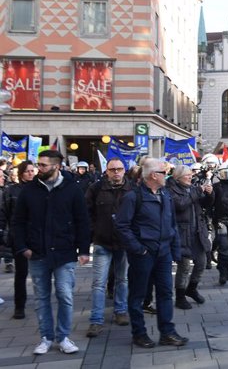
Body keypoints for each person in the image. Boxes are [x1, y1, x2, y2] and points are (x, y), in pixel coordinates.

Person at [12, 150, 91, 355]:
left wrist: (83, 249)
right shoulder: (29, 190)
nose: (39, 168)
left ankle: (63, 337)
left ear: (56, 166)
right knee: (41, 297)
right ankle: (46, 337)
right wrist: (23, 247)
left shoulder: (71, 189)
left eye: (43, 165)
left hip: (64, 252)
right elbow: (18, 221)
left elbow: (83, 221)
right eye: (39, 165)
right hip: (37, 253)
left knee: (65, 295)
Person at [115, 158, 188, 348]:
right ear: (153, 176)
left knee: (165, 293)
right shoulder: (133, 197)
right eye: (164, 173)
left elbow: (172, 224)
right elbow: (122, 226)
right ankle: (139, 333)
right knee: (138, 295)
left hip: (163, 253)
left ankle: (167, 333)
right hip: (143, 254)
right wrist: (139, 248)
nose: (167, 176)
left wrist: (175, 250)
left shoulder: (165, 195)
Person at [84, 157, 134, 338]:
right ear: (106, 171)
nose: (116, 172)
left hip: (123, 243)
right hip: (102, 242)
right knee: (99, 283)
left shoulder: (132, 189)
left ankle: (121, 311)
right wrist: (92, 233)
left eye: (119, 169)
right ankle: (96, 320)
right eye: (112, 169)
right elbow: (86, 213)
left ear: (124, 170)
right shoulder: (96, 188)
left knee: (123, 279)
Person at [166, 165, 213, 309]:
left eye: (190, 174)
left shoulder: (192, 187)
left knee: (201, 262)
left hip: (198, 232)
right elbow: (180, 204)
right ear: (178, 177)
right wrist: (198, 191)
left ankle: (192, 288)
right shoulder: (171, 190)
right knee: (184, 266)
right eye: (187, 175)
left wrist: (210, 194)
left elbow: (206, 204)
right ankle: (180, 296)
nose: (190, 177)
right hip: (182, 233)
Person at [0, 160, 36, 319]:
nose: (30, 173)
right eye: (27, 171)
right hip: (19, 237)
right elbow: (3, 213)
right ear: (21, 173)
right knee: (21, 273)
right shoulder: (11, 190)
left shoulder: (40, 189)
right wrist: (3, 232)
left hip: (37, 236)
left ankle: (41, 303)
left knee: (40, 273)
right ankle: (19, 306)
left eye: (32, 171)